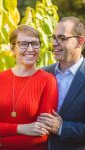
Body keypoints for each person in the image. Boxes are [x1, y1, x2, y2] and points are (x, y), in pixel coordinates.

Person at [0, 25, 58, 150]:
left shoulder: (48, 80)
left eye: (35, 44)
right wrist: (21, 128)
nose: (30, 49)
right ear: (12, 48)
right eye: (23, 44)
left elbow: (42, 134)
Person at [37, 16, 85, 150]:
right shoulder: (43, 73)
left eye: (62, 38)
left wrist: (62, 128)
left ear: (79, 42)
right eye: (53, 37)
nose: (54, 43)